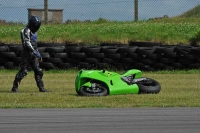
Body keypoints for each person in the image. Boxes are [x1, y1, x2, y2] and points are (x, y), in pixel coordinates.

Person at [11, 15, 50, 93]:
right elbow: (27, 43)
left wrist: (38, 53)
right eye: (35, 26)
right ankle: (14, 88)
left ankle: (41, 88)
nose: (36, 28)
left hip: (34, 54)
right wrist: (34, 51)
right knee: (24, 71)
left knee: (38, 71)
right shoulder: (25, 30)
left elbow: (35, 44)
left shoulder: (35, 32)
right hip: (27, 54)